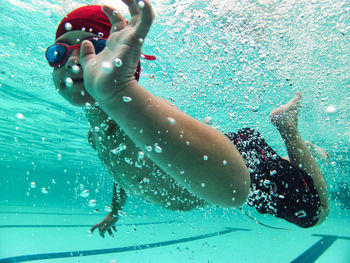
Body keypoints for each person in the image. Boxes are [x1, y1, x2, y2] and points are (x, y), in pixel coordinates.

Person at [46, 0, 329, 237]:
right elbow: (121, 173)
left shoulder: (141, 114)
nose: (73, 60)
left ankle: (286, 128)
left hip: (243, 164)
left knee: (316, 214)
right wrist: (115, 211)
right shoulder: (96, 136)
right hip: (225, 154)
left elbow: (234, 191)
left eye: (92, 47)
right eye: (59, 52)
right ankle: (303, 150)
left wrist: (119, 92)